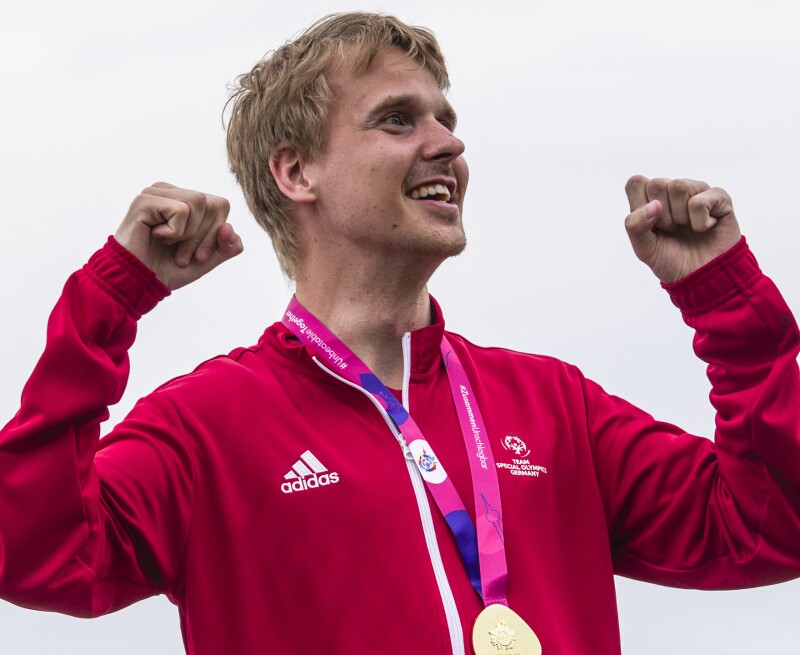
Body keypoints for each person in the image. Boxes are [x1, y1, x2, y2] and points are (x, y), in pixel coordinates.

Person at [0, 11, 798, 655]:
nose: (447, 143)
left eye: (448, 121)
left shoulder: (553, 403)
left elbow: (773, 523)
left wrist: (724, 296)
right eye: (397, 119)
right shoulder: (208, 425)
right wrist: (110, 299)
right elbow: (35, 554)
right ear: (296, 172)